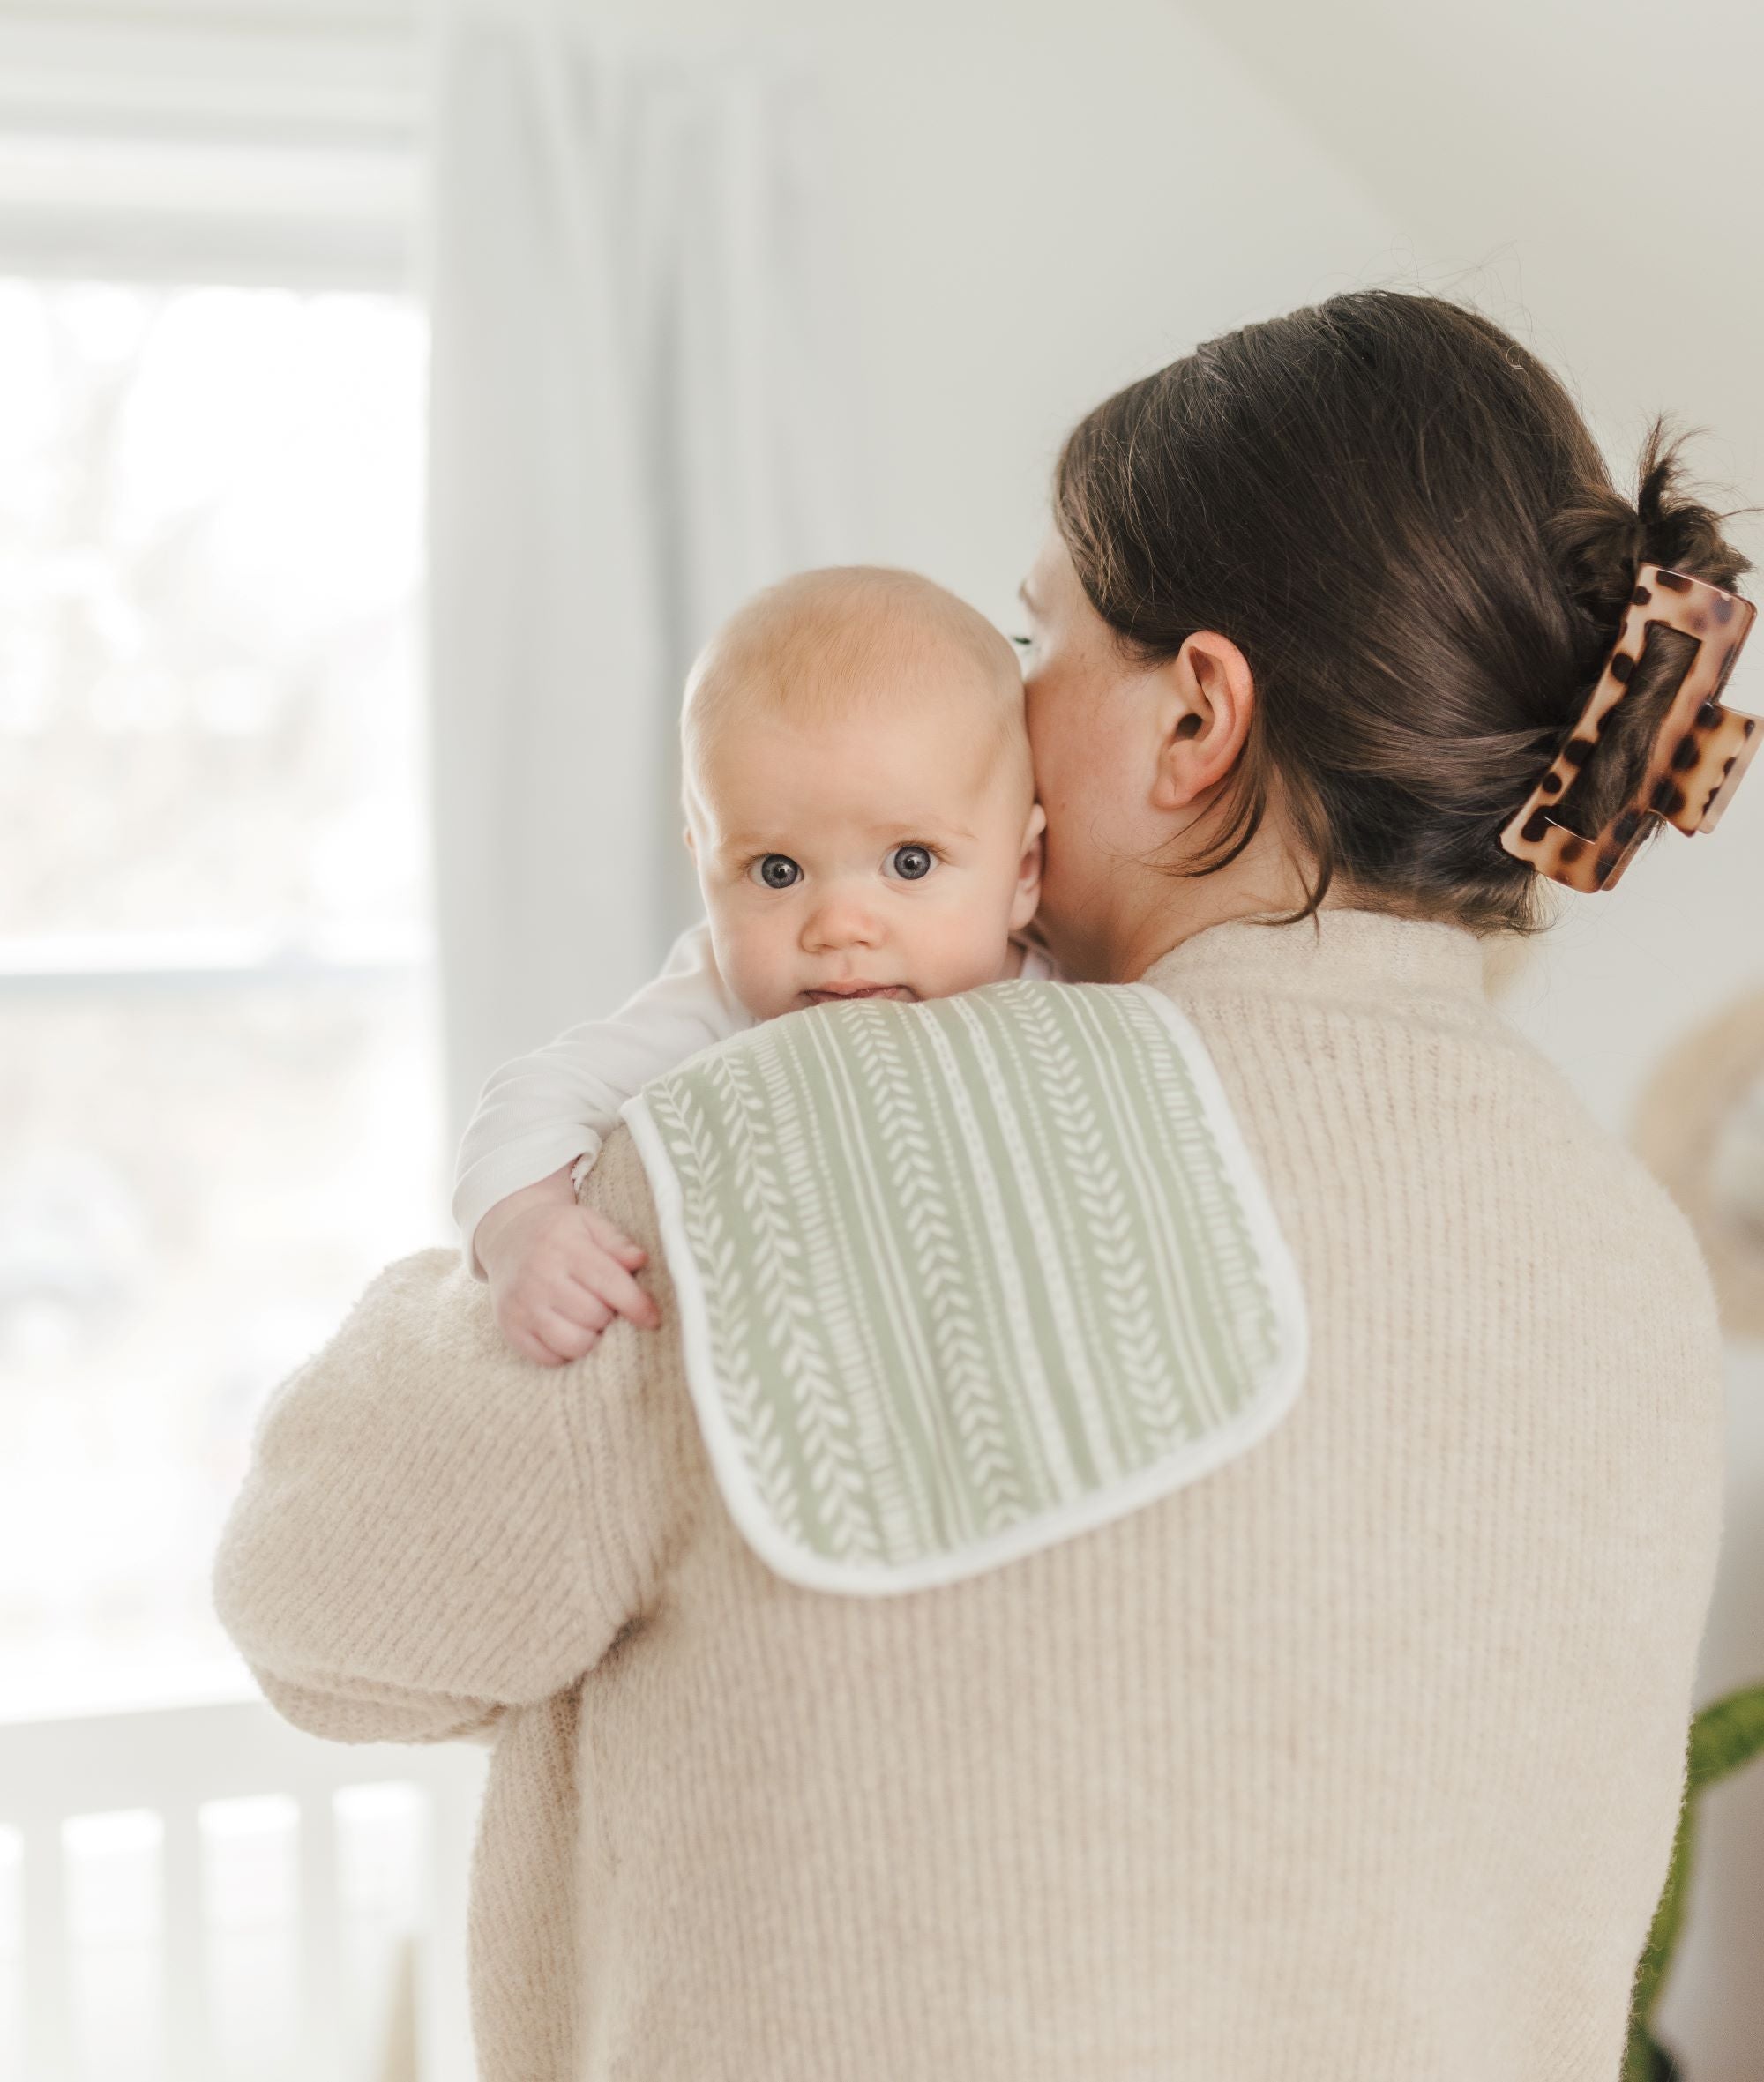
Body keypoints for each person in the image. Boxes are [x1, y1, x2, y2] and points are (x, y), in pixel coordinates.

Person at [215, 291, 1743, 2080]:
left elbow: (325, 1600)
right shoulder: (1624, 1250)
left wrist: (618, 1134)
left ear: (1196, 721)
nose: (999, 701)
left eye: (1039, 635)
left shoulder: (792, 1136)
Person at [450, 565, 1058, 1367]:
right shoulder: (715, 1002)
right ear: (703, 863)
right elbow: (534, 1093)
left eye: (910, 862)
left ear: (1021, 870)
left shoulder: (1073, 992)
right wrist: (523, 1225)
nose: (840, 927)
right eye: (777, 870)